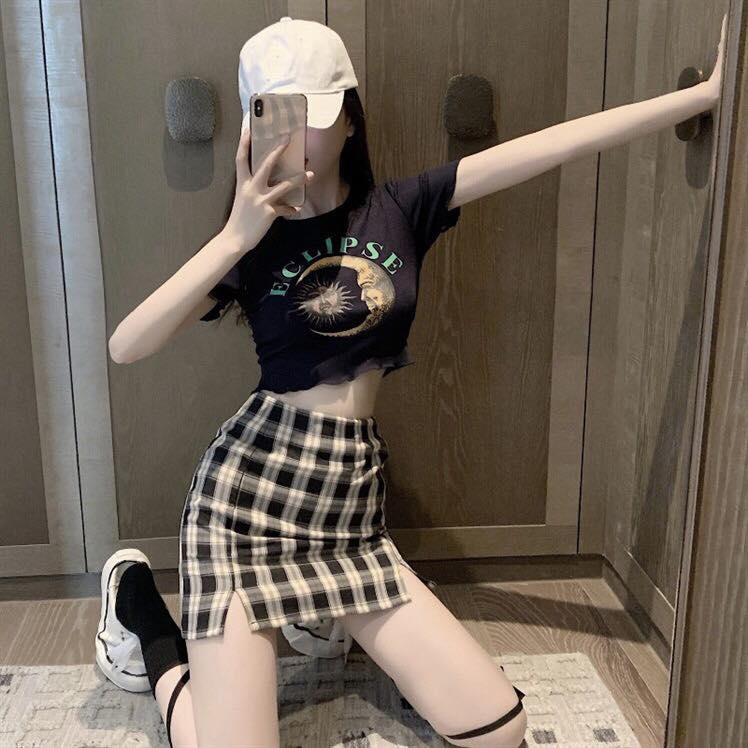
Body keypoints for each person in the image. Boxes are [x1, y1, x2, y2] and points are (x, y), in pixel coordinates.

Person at [95, 13, 726, 748]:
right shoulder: (250, 243)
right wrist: (237, 234)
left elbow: (554, 145)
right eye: (280, 118)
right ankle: (143, 612)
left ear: (350, 120)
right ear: (252, 128)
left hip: (348, 511)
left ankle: (316, 613)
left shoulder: (399, 208)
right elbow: (126, 345)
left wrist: (703, 95)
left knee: (499, 730)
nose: (302, 141)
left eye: (316, 118)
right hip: (245, 508)